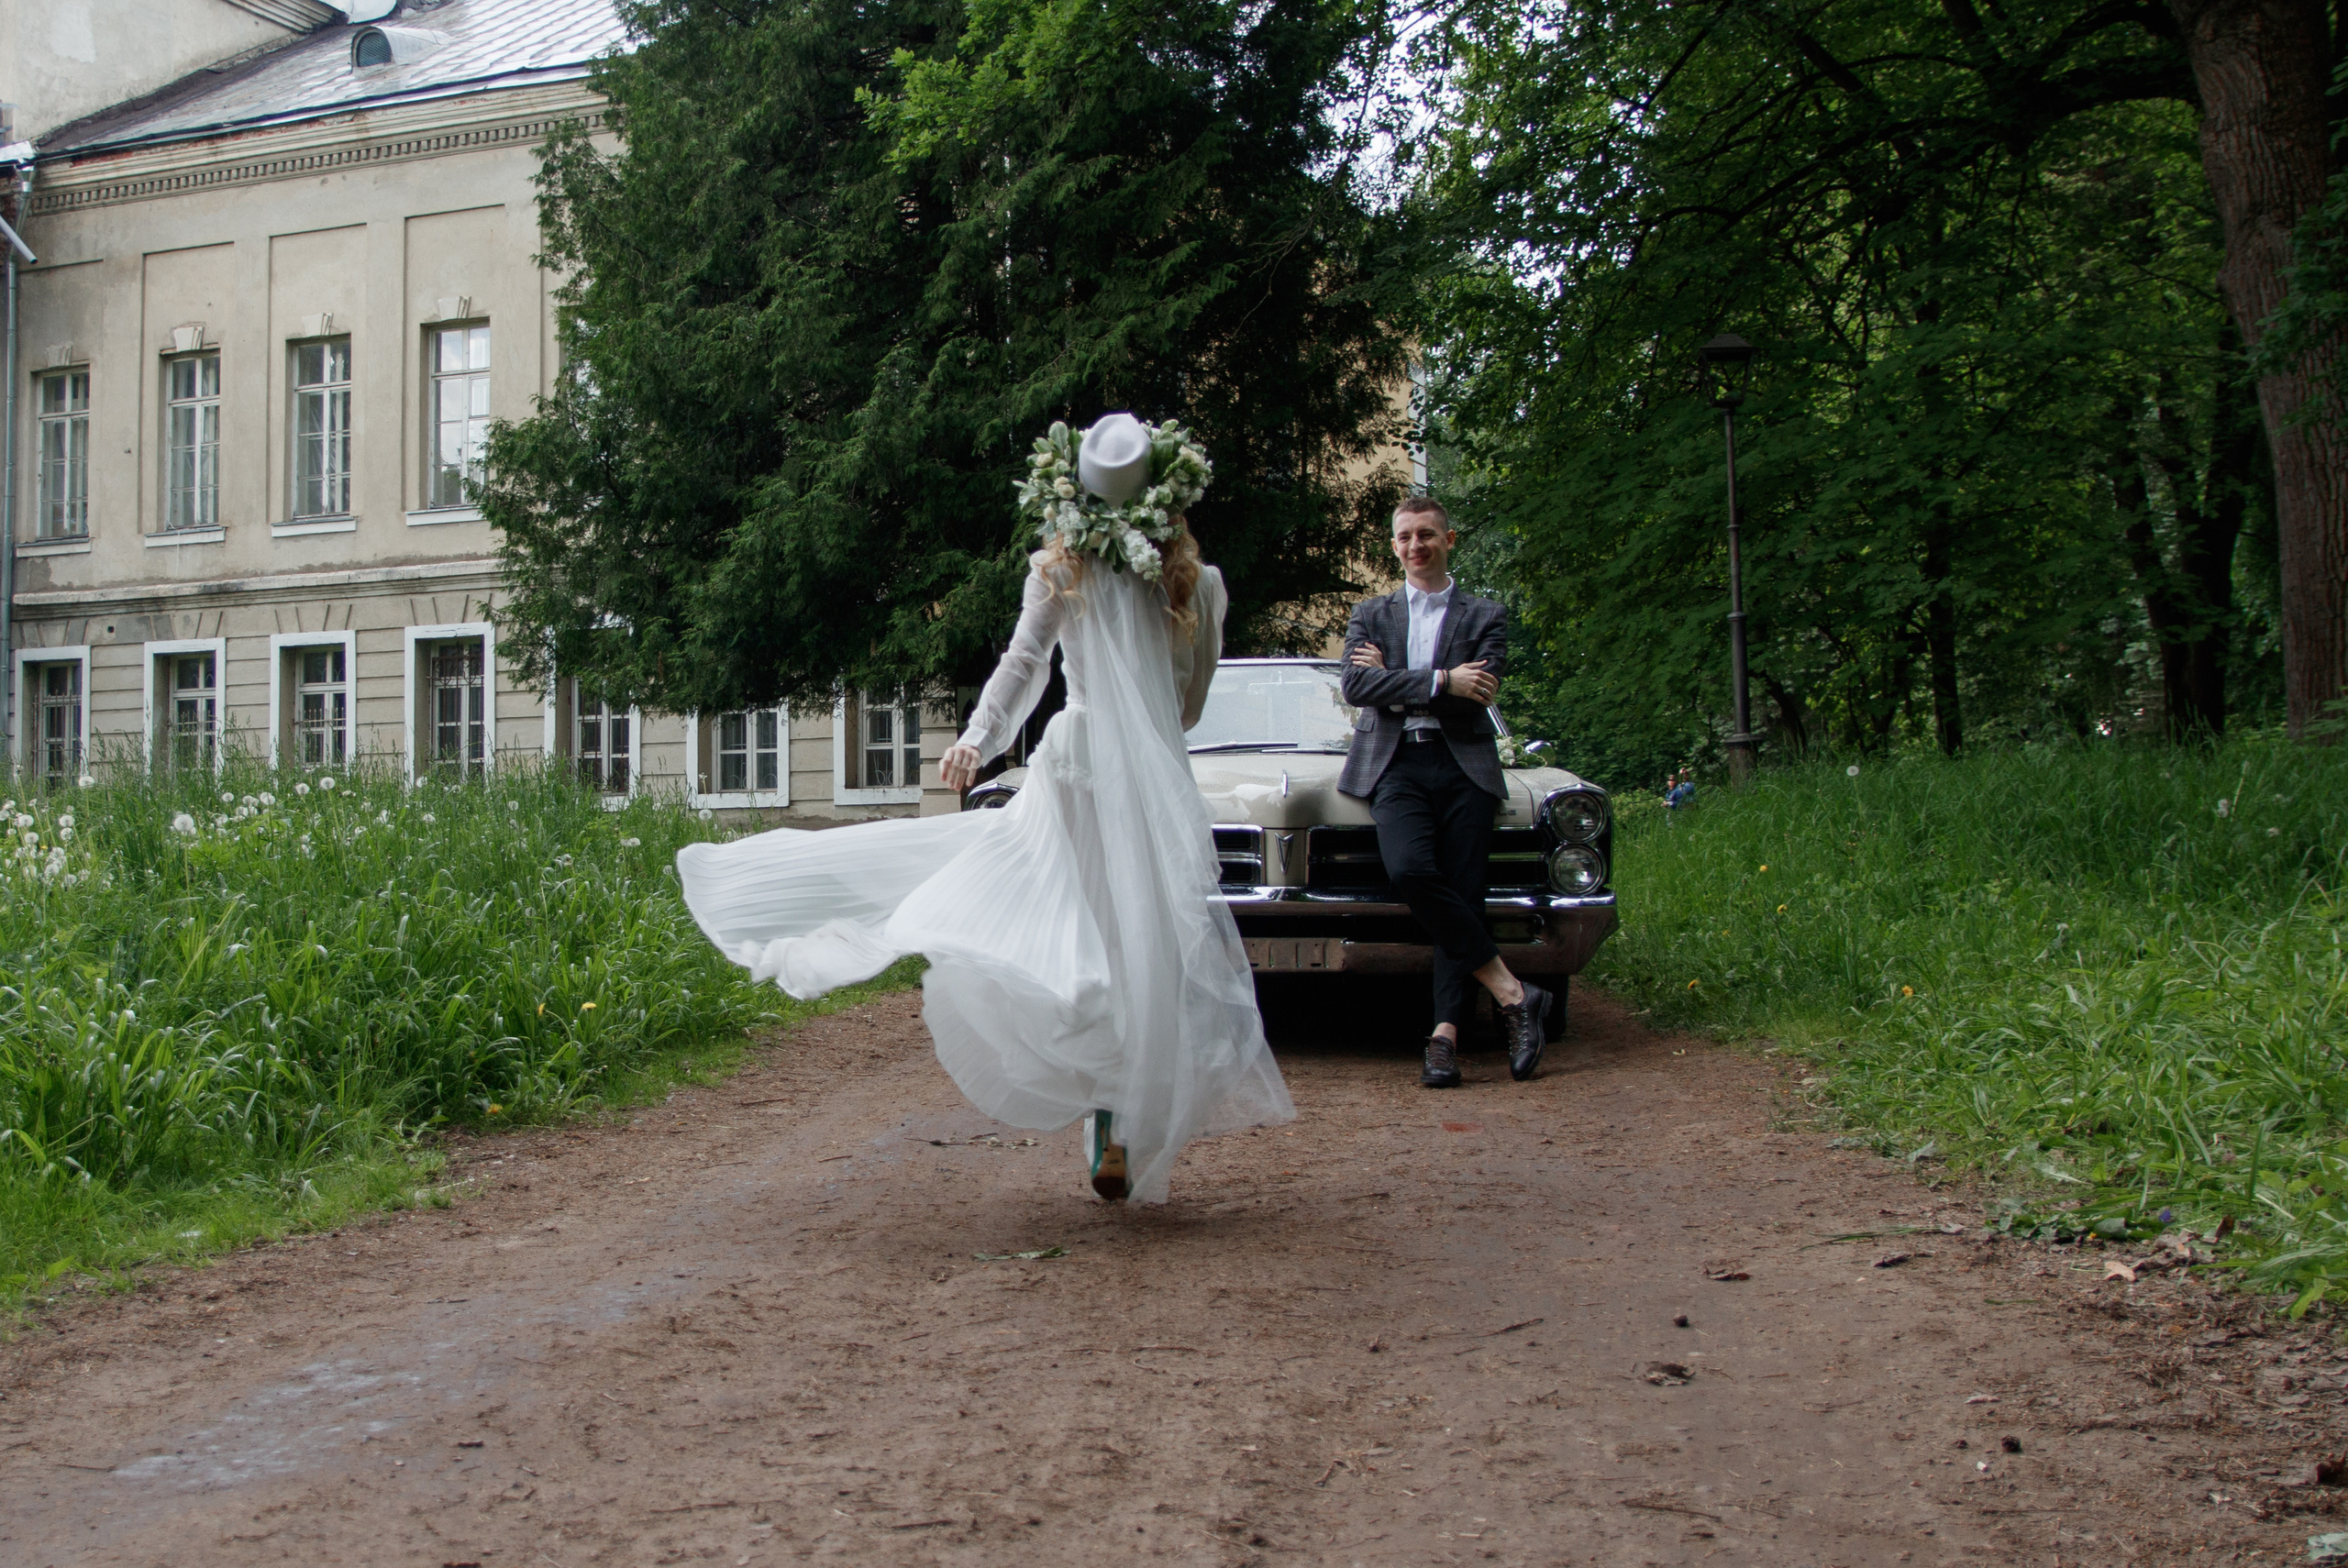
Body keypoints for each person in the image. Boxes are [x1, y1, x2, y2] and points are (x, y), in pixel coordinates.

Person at [676, 413, 1293, 1204]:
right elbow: (1192, 706)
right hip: (1152, 784)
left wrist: (979, 739)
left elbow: (1024, 664)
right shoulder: (1201, 586)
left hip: (1077, 766)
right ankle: (1120, 1116)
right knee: (1145, 947)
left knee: (1072, 933)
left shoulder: (1059, 571)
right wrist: (1145, 736)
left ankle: (1105, 1109)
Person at [1337, 496, 1551, 1089]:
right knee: (1410, 871)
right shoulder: (1372, 613)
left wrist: (1399, 681)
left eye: (1426, 535)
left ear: (1449, 540)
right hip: (1396, 765)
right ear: (1394, 544)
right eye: (1404, 537)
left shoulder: (1485, 614)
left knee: (1463, 895)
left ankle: (1444, 1038)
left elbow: (1479, 690)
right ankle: (1514, 993)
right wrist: (1441, 679)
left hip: (1465, 767)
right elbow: (1357, 685)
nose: (1415, 546)